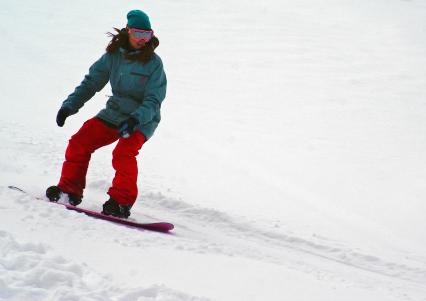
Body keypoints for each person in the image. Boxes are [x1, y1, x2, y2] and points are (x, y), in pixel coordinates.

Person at [46, 9, 167, 218]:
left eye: (147, 35)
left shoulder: (154, 64)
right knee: (80, 142)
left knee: (123, 153)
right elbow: (91, 83)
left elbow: (154, 101)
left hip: (142, 119)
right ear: (128, 31)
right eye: (138, 34)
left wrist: (135, 119)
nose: (142, 40)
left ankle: (121, 202)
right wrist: (69, 106)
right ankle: (69, 190)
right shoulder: (113, 56)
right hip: (115, 113)